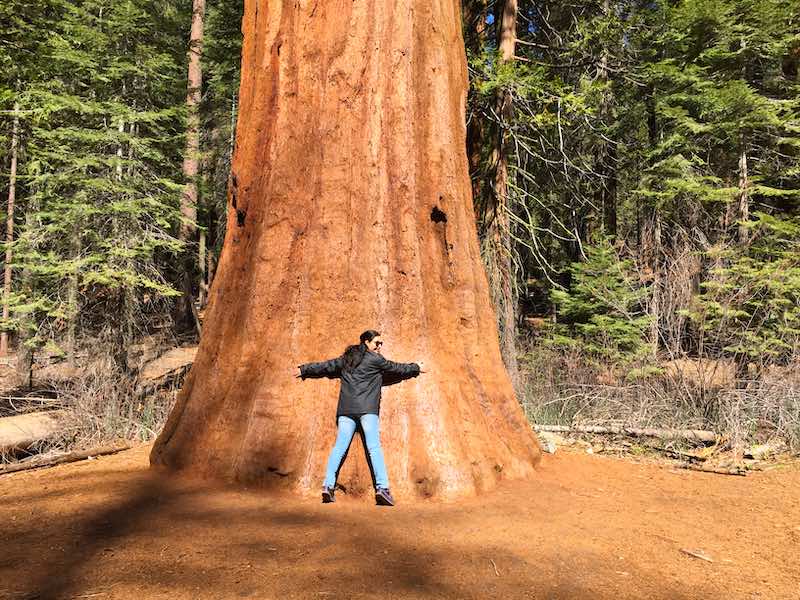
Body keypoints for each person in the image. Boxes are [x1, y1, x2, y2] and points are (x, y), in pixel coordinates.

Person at [295, 330, 424, 506]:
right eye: (376, 343)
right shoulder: (375, 360)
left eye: (381, 344)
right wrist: (415, 367)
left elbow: (327, 366)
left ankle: (327, 486)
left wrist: (304, 369)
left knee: (339, 447)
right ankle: (382, 489)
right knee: (374, 448)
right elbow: (397, 368)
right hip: (367, 410)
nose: (379, 346)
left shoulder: (347, 359)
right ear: (366, 342)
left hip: (346, 410)